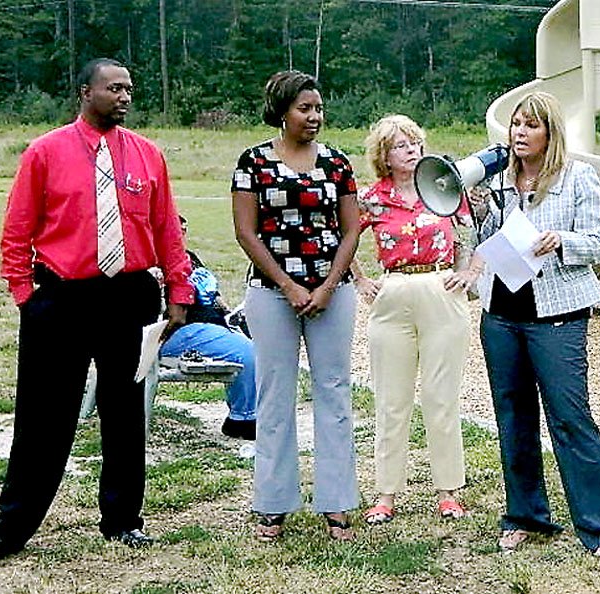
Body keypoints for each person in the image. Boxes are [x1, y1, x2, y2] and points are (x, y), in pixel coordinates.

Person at [0, 58, 193, 561]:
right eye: (114, 88)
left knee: (125, 414)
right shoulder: (44, 153)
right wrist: (26, 297)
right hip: (62, 298)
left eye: (129, 89)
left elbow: (167, 229)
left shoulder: (148, 156)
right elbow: (17, 231)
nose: (124, 97)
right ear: (86, 92)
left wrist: (179, 293)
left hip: (129, 297)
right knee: (44, 417)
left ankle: (123, 519)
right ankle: (12, 525)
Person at [472, 91, 600, 556]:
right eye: (516, 124)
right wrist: (482, 215)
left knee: (570, 418)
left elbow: (598, 243)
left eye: (530, 125)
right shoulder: (499, 178)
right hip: (501, 315)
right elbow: (489, 245)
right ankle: (525, 515)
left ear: (550, 132)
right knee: (514, 417)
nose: (519, 133)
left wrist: (561, 240)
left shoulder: (577, 177)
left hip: (556, 317)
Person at [232, 70, 359, 542]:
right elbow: (246, 232)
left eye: (318, 108)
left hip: (331, 292)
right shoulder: (253, 163)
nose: (314, 117)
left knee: (333, 391)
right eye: (304, 109)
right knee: (275, 395)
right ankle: (273, 503)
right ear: (282, 111)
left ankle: (337, 503)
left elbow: (351, 229)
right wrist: (287, 285)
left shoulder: (337, 163)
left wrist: (327, 286)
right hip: (271, 293)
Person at [352, 114, 481, 526]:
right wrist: (360, 280)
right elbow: (343, 239)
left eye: (416, 143)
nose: (413, 151)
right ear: (384, 156)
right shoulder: (372, 198)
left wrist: (467, 272)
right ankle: (386, 493)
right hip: (394, 291)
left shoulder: (443, 189)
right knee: (392, 400)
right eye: (402, 145)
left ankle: (448, 490)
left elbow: (469, 233)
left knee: (441, 398)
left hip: (441, 288)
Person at [159, 215, 256, 440]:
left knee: (263, 341)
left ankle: (252, 413)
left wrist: (233, 315)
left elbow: (215, 298)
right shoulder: (155, 260)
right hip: (180, 330)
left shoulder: (190, 257)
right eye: (177, 230)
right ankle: (244, 420)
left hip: (210, 324)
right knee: (246, 353)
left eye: (184, 230)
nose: (181, 235)